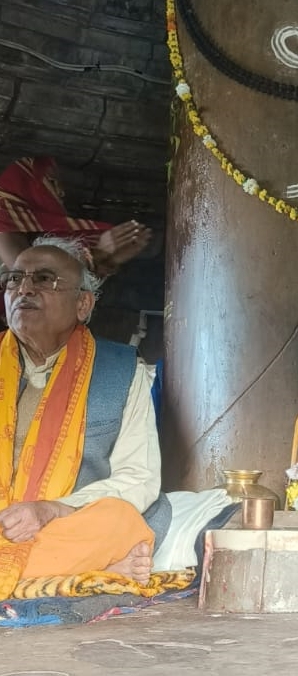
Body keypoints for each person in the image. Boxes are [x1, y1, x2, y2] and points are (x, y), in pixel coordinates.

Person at [0, 235, 170, 598]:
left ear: (82, 304)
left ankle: (50, 572)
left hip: (65, 524)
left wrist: (52, 510)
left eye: (44, 279)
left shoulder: (121, 371)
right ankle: (92, 572)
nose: (24, 289)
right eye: (15, 278)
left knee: (120, 520)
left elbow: (138, 476)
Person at [0, 156, 152, 277]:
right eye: (52, 182)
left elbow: (69, 290)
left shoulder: (33, 235)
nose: (61, 193)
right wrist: (100, 253)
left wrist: (111, 259)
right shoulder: (3, 226)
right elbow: (37, 281)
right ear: (25, 189)